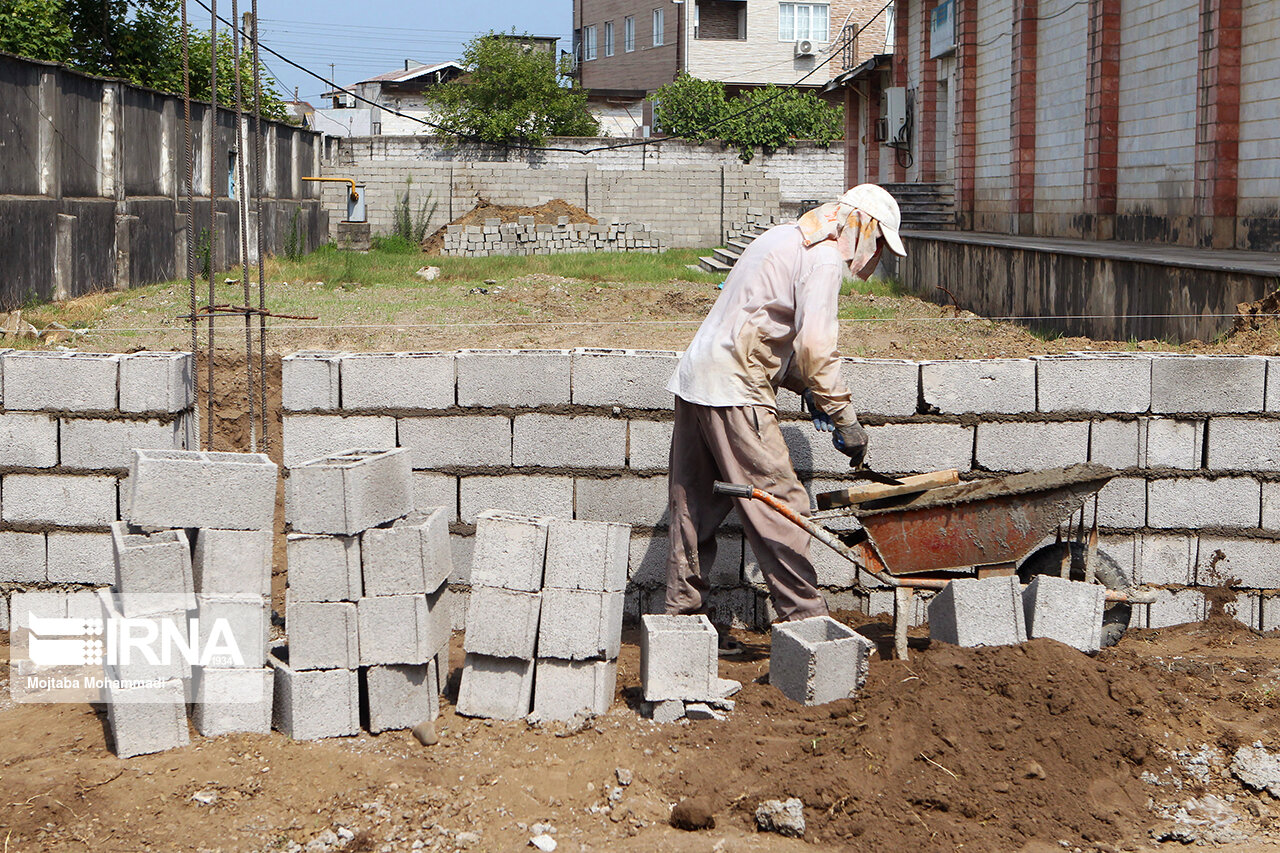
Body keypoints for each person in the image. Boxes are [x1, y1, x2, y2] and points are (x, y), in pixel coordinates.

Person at [663, 184, 908, 638]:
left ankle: (680, 626)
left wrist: (804, 388)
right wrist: (843, 415)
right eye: (878, 245)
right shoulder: (824, 257)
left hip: (697, 377)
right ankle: (807, 625)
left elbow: (761, 322)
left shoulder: (781, 236)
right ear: (861, 225)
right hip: (736, 387)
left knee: (692, 507)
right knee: (783, 506)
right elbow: (816, 346)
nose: (874, 259)